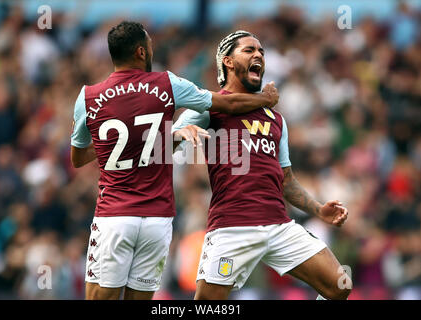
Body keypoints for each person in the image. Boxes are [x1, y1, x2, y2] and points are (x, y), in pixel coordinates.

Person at [70, 22, 279, 300]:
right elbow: (227, 104)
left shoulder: (88, 97)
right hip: (157, 219)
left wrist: (127, 135)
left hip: (115, 216)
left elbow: (78, 157)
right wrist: (264, 99)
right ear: (141, 51)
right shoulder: (167, 84)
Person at [172, 30, 352, 300]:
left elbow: (286, 180)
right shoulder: (207, 107)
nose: (258, 55)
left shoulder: (276, 119)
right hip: (232, 227)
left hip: (278, 225)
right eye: (249, 50)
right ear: (228, 62)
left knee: (340, 286)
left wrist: (318, 210)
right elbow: (161, 146)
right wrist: (178, 135)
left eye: (261, 52)